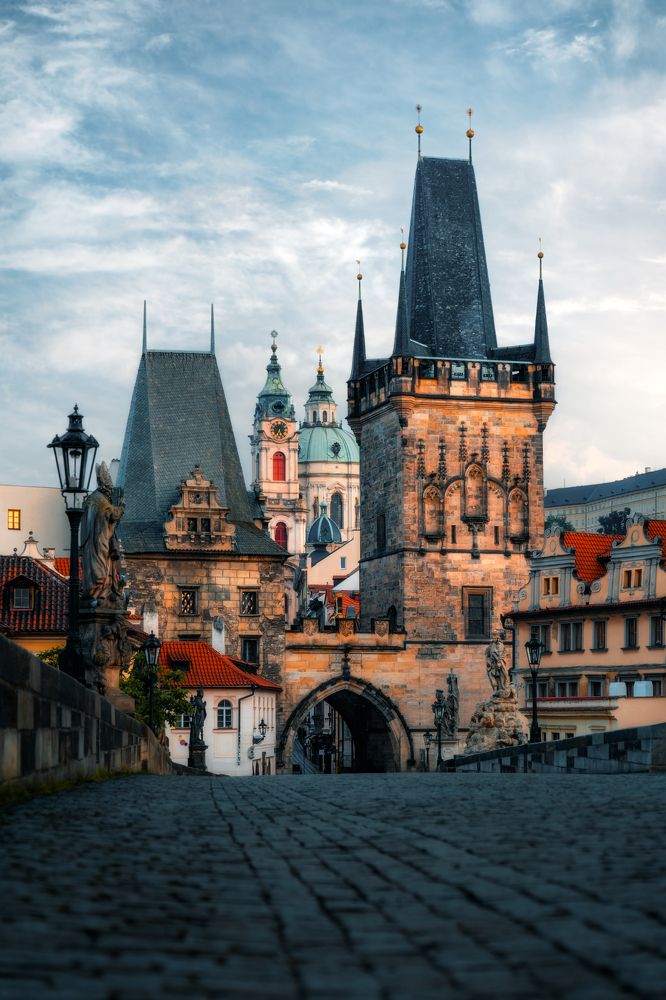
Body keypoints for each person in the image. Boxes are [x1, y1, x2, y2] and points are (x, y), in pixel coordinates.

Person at [80, 462, 125, 606]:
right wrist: (122, 507)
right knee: (100, 570)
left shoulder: (90, 500)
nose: (111, 489)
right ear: (105, 485)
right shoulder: (100, 500)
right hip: (98, 543)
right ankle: (98, 594)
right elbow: (113, 514)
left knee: (93, 569)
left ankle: (94, 592)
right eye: (109, 486)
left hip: (91, 543)